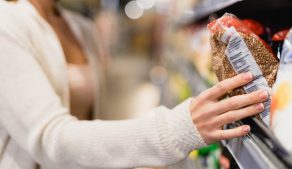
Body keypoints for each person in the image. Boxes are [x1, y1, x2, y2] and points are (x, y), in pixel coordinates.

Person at [0, 0, 269, 169]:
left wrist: (135, 158)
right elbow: (51, 140)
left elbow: (95, 120)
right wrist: (175, 131)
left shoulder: (80, 27)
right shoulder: (7, 24)